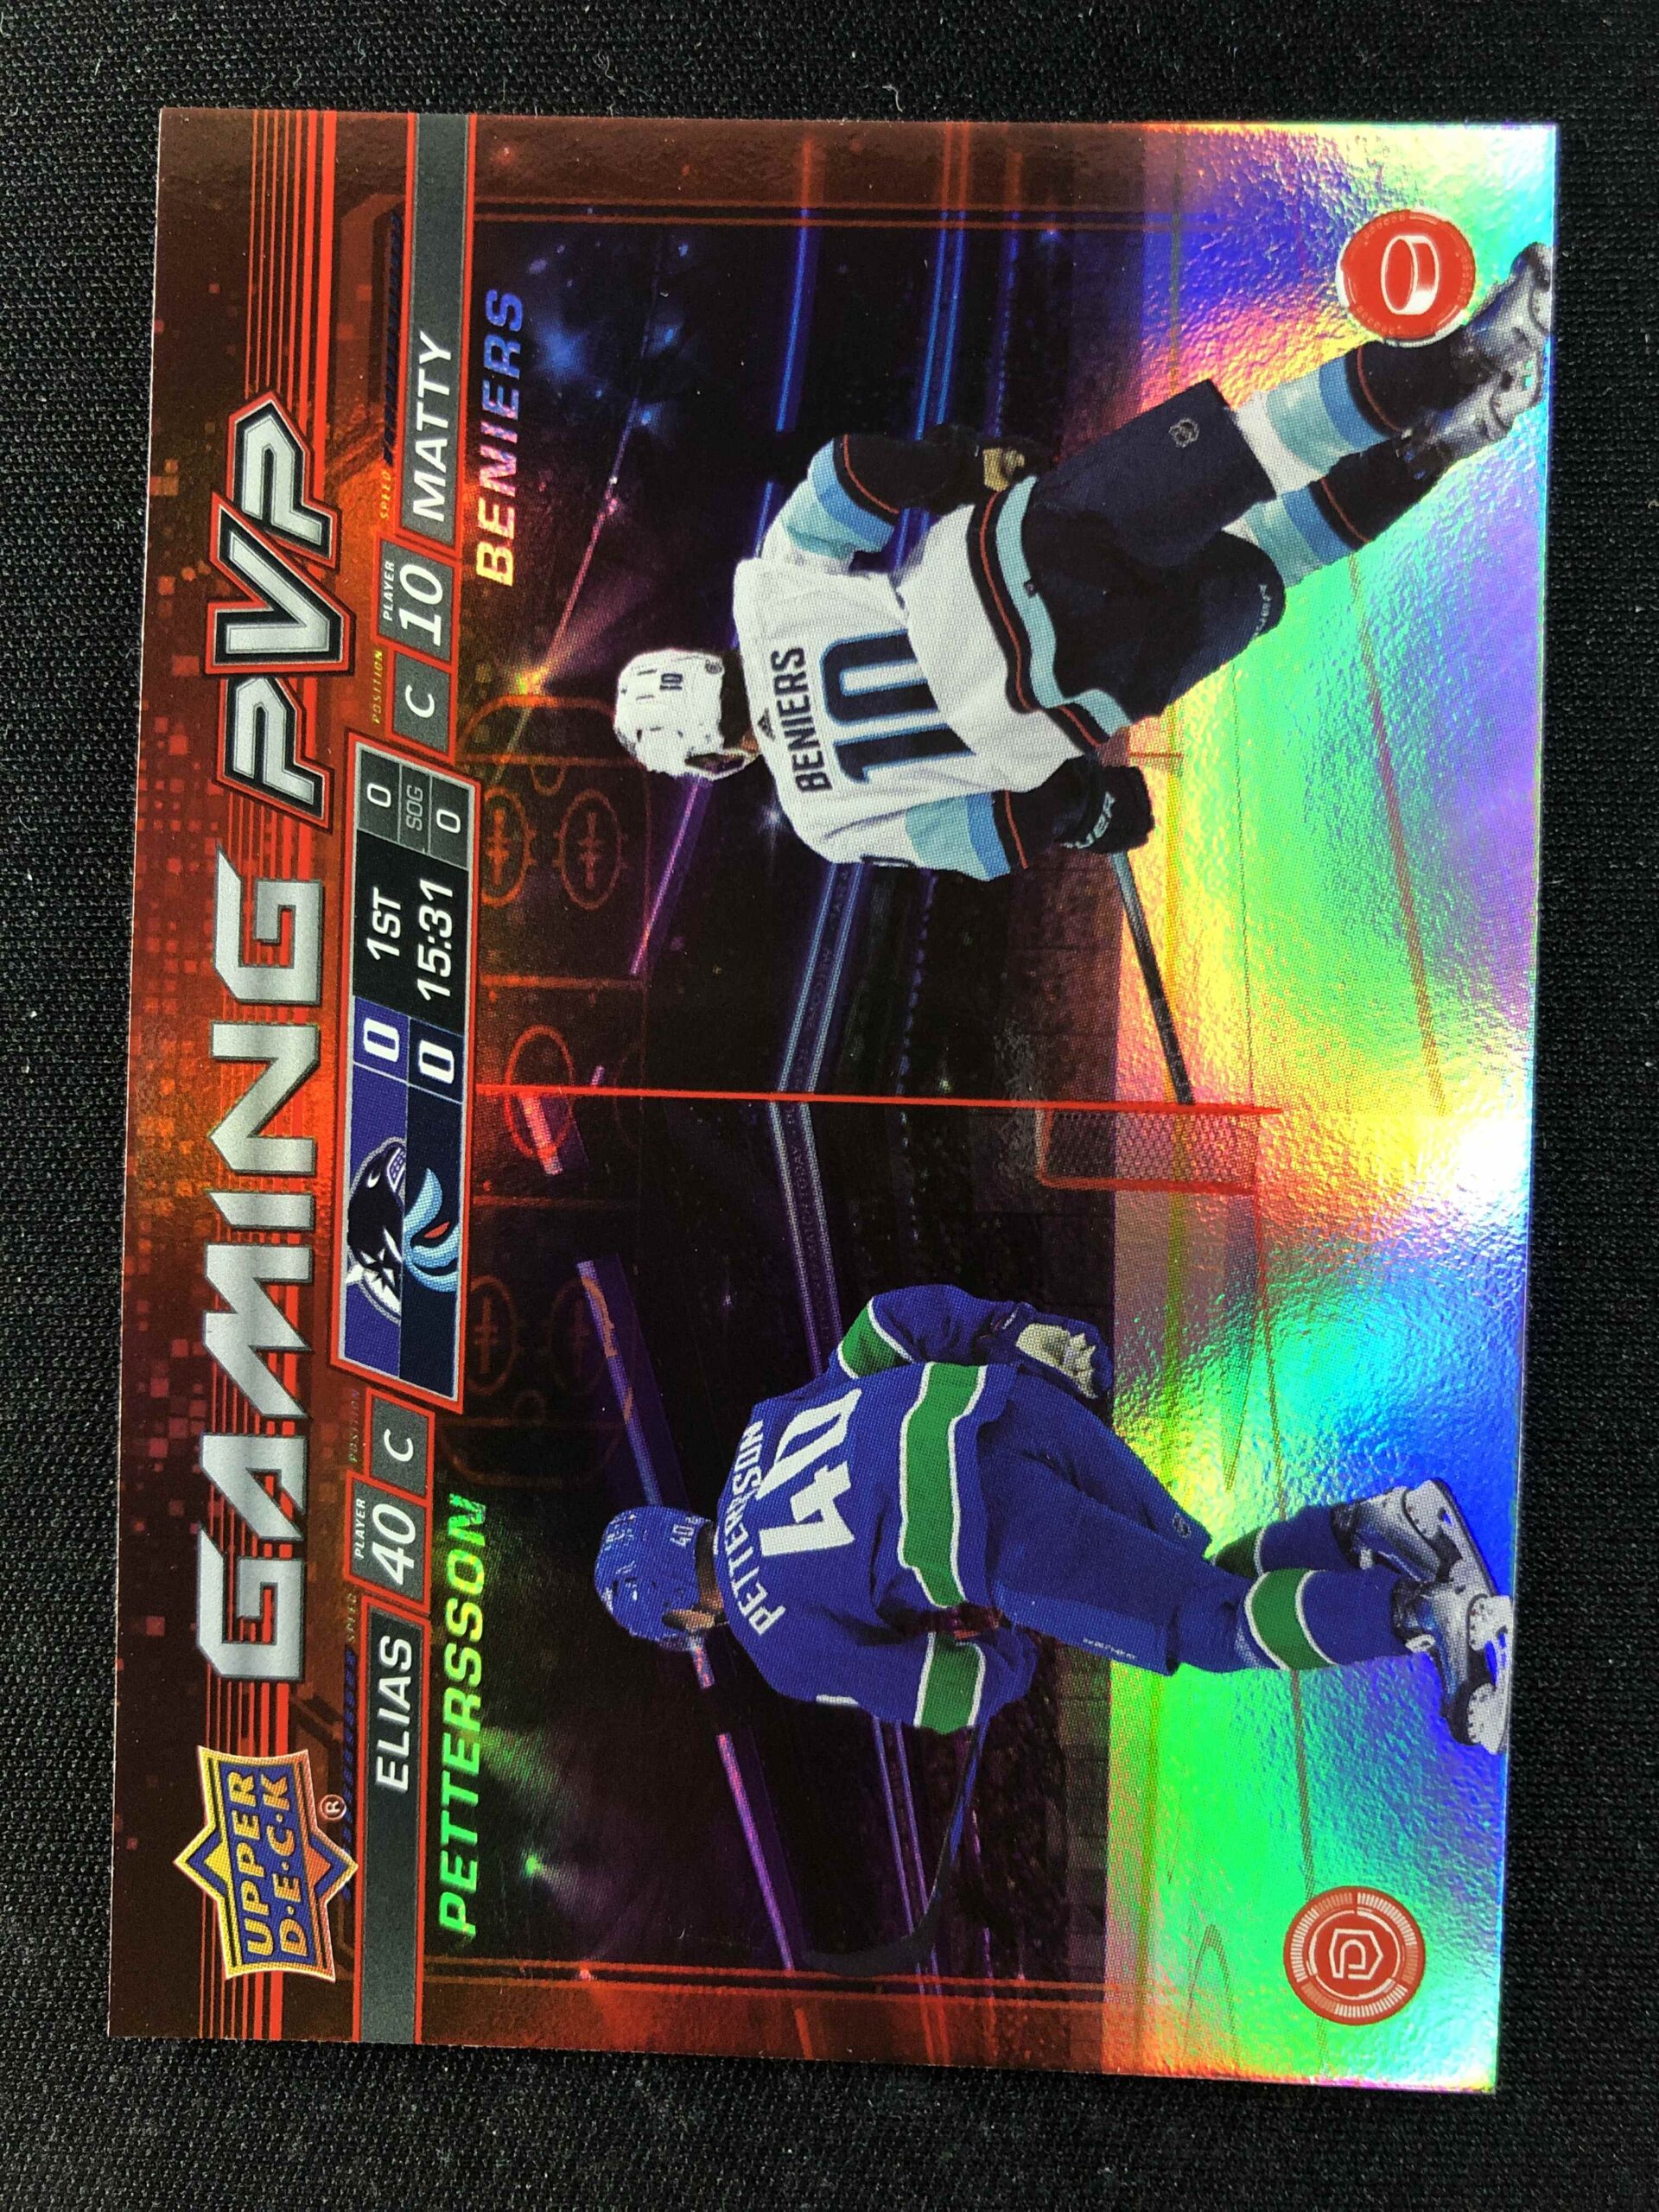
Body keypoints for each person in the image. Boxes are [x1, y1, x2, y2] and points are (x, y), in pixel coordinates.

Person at [610, 245, 1554, 882]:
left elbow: (991, 833)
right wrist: (964, 465)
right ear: (701, 663)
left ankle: (1454, 438)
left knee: (1276, 556)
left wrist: (1090, 813)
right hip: (1019, 554)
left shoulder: (822, 823)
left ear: (712, 758)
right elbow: (849, 472)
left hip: (1087, 686)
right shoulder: (764, 594)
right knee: (1257, 445)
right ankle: (1481, 346)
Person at [594, 1284, 1513, 1754]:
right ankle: (1379, 1525)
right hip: (1010, 1410)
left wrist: (1008, 1646)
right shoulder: (761, 1430)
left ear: (683, 1613)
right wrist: (1005, 1325)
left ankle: (1431, 1615)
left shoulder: (774, 1645)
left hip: (1002, 1534)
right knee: (1207, 1579)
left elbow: (947, 1695)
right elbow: (881, 1331)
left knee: (1210, 1625)